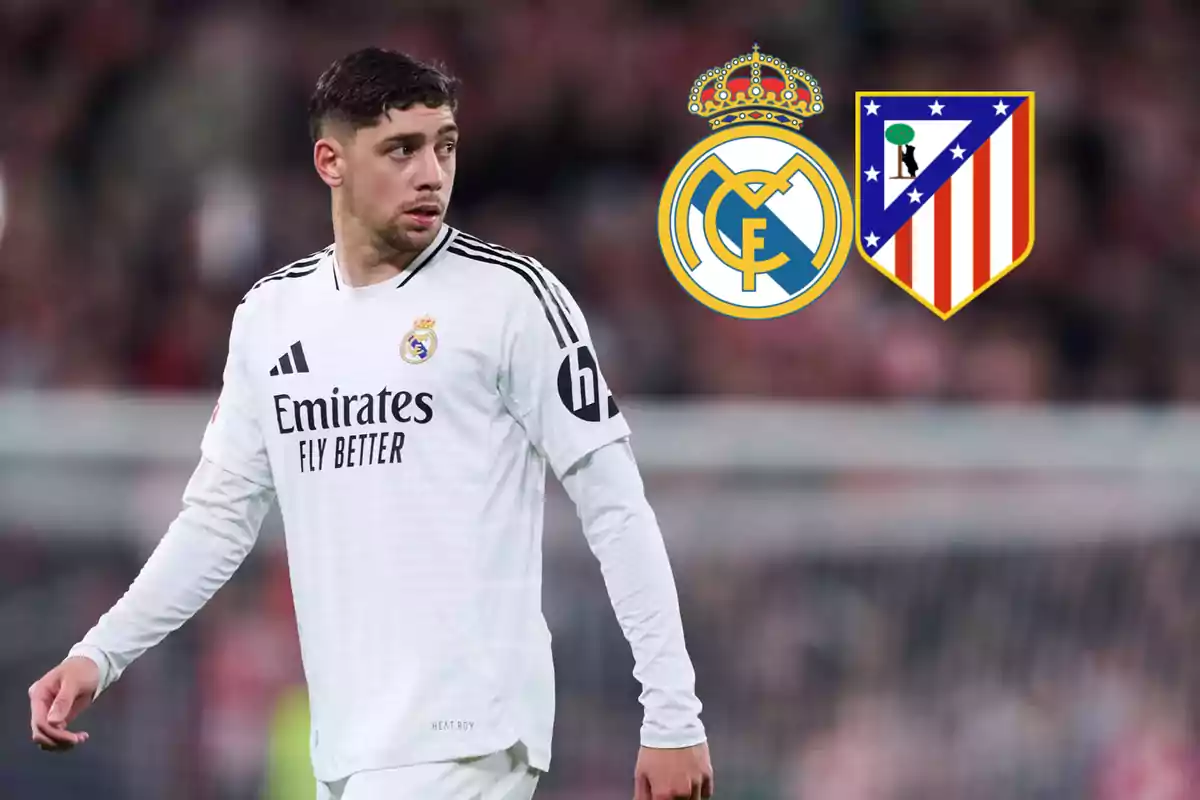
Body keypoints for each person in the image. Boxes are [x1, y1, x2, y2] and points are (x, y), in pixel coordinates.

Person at [27, 47, 713, 800]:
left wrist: (672, 713)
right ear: (332, 161)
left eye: (444, 146)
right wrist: (102, 653)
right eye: (402, 149)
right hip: (349, 748)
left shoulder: (511, 299)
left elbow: (614, 503)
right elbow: (217, 520)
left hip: (468, 734)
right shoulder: (271, 316)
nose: (432, 173)